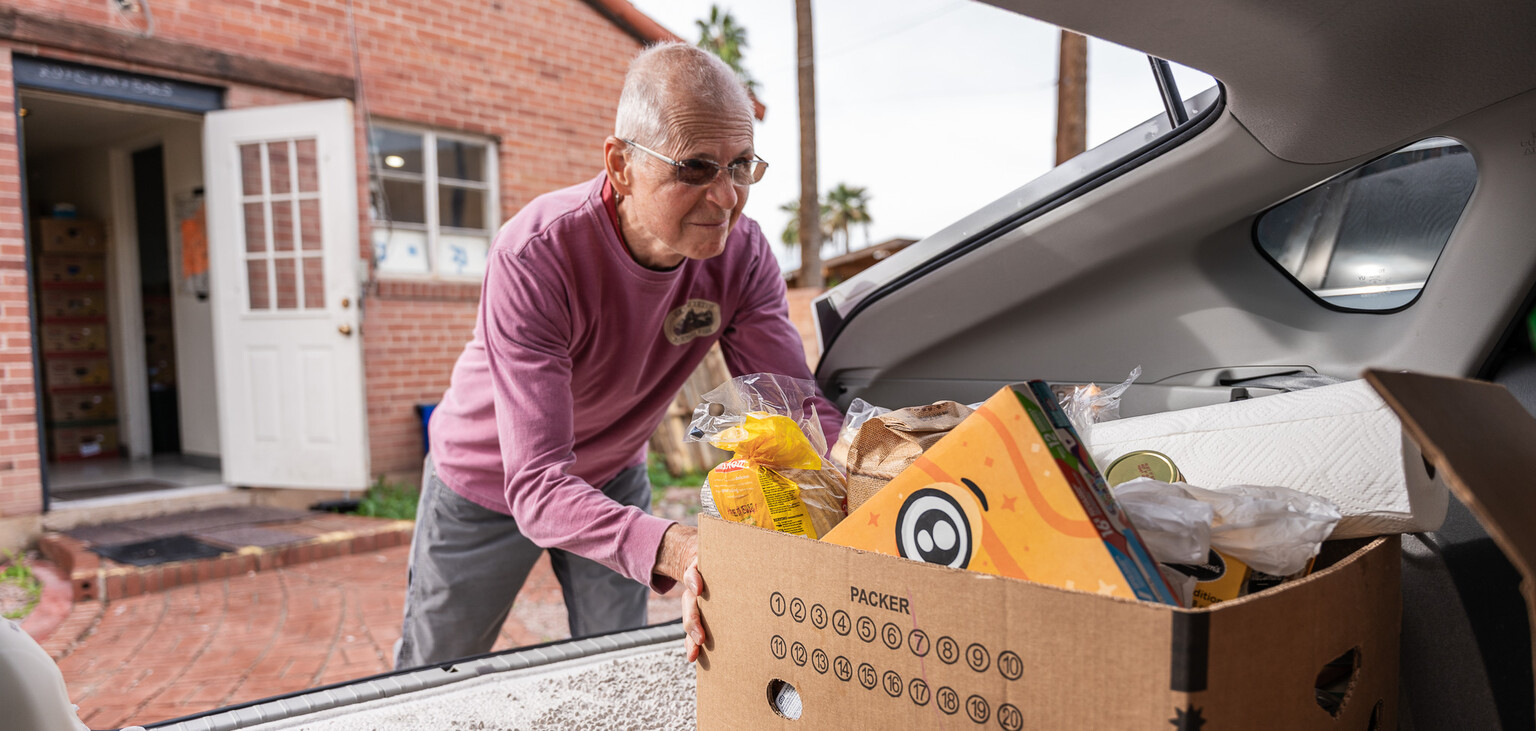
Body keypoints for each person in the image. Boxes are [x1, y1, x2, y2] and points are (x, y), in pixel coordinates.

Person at [395, 41, 841, 670]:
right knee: (436, 673)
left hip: (612, 474)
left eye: (741, 165)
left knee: (615, 664)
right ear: (621, 165)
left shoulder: (742, 255)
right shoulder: (538, 254)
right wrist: (681, 548)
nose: (727, 198)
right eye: (696, 169)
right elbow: (537, 484)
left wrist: (873, 469)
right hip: (487, 481)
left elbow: (795, 408)